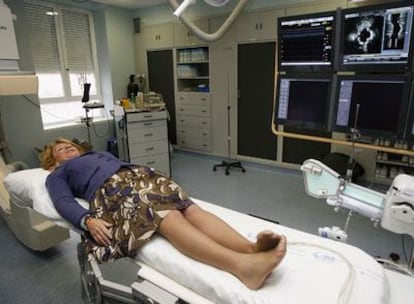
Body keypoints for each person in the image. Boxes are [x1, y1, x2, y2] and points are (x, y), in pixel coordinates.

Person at [40, 138, 287, 290]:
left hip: (141, 176)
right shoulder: (57, 175)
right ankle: (242, 267)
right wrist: (87, 220)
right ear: (54, 162)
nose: (69, 148)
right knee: (168, 215)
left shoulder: (94, 155)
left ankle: (251, 250)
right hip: (112, 192)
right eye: (62, 149)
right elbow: (62, 201)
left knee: (190, 208)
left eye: (71, 145)